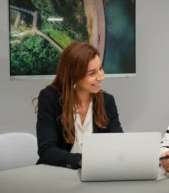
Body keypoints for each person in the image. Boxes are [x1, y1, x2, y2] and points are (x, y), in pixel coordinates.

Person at [35, 42, 123, 170]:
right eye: (92, 73)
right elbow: (47, 150)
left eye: (100, 68)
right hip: (58, 172)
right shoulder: (50, 98)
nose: (101, 77)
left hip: (97, 173)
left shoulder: (107, 101)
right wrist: (82, 161)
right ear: (74, 75)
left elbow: (119, 143)